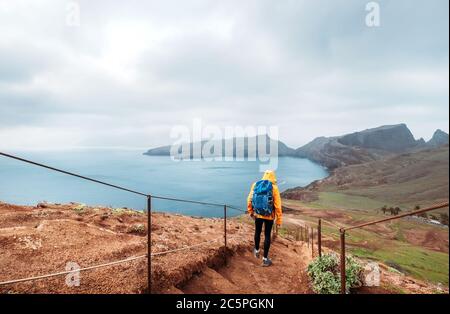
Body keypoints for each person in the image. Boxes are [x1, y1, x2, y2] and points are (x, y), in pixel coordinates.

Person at [247, 170, 282, 266]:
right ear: (273, 177)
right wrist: (279, 220)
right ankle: (265, 259)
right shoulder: (274, 187)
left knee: (257, 232)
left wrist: (250, 212)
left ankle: (257, 251)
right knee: (267, 235)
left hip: (258, 214)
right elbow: (278, 205)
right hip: (269, 216)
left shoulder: (256, 184)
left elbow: (249, 199)